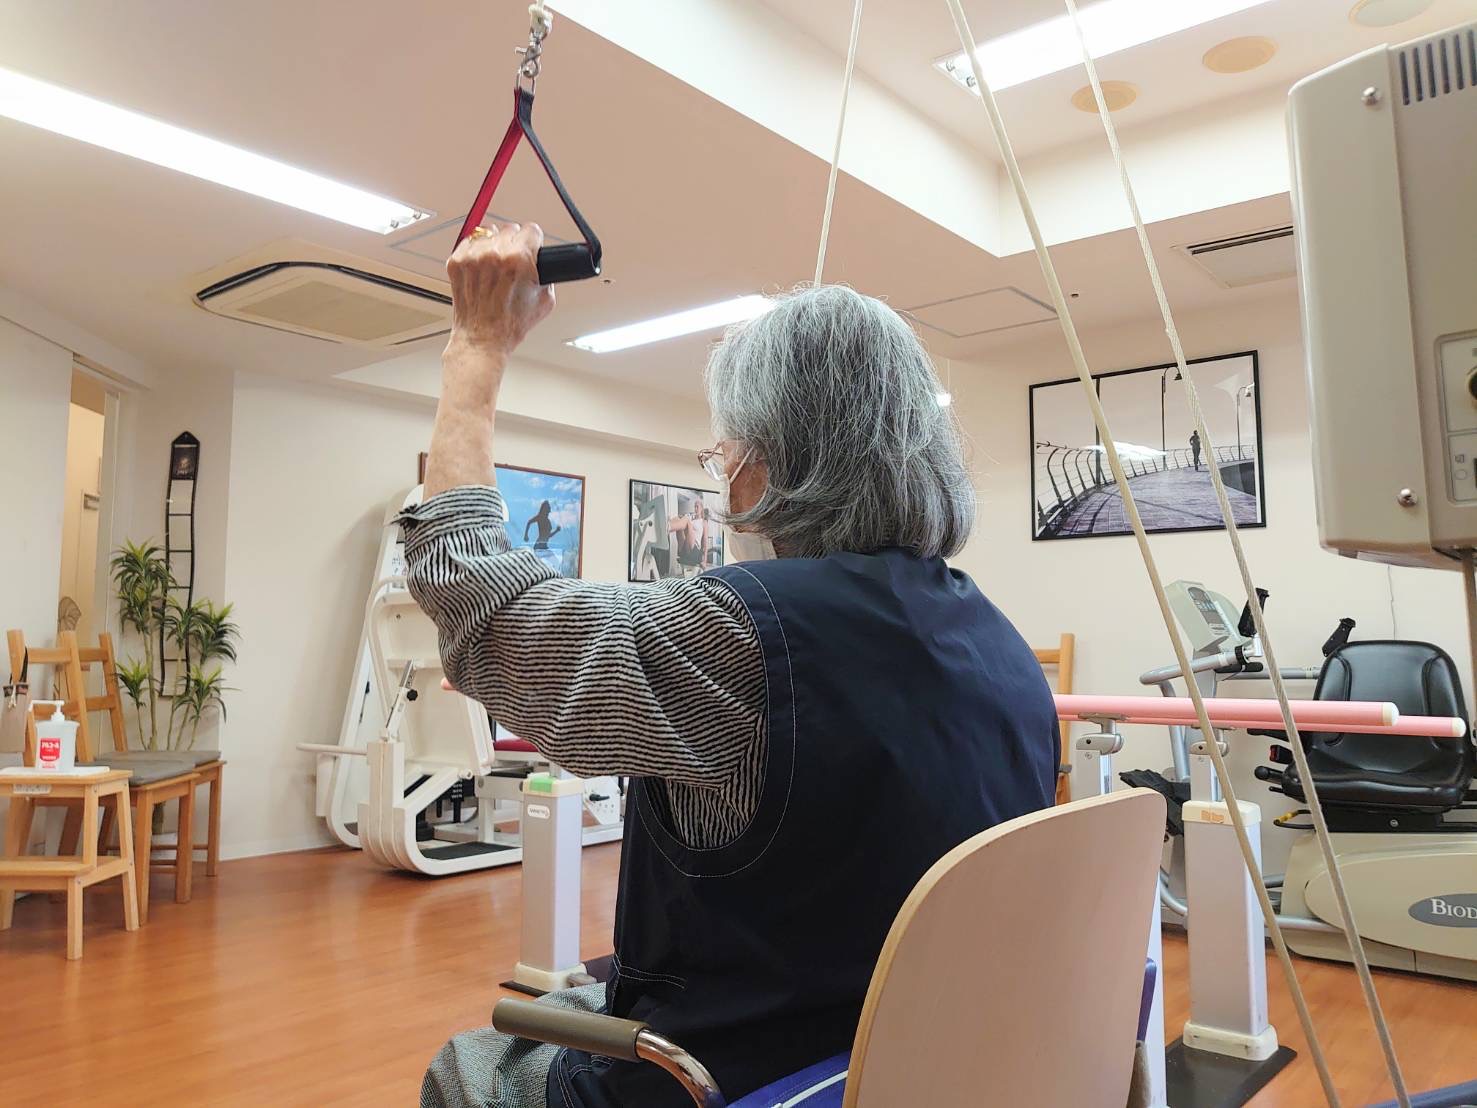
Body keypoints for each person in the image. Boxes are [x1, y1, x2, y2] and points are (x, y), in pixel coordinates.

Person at [406, 222, 1058, 1108]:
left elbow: (478, 599)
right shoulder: (999, 640)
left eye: (722, 455)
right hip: (921, 1059)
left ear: (759, 465)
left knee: (467, 1067)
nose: (724, 482)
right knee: (570, 1002)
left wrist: (476, 347)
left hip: (740, 1077)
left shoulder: (738, 631)